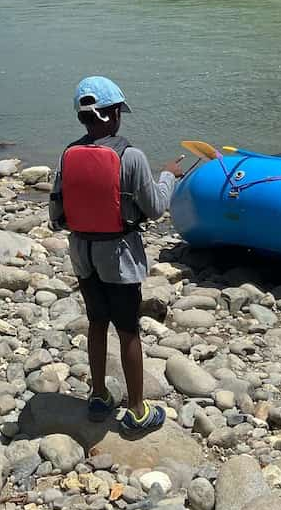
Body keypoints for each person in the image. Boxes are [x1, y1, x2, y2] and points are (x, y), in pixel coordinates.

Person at [49, 76, 184, 435]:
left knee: (96, 322)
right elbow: (154, 208)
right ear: (110, 115)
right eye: (118, 112)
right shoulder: (132, 156)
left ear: (83, 119)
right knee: (127, 330)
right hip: (119, 257)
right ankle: (138, 410)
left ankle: (97, 395)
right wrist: (169, 176)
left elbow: (55, 214)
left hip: (82, 253)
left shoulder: (68, 154)